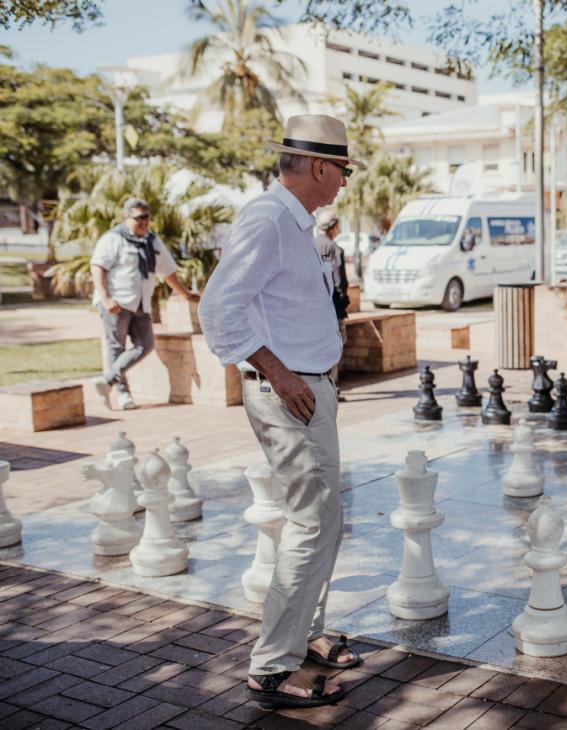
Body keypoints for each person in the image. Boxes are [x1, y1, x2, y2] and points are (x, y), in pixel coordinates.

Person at [198, 115, 363, 709]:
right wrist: (282, 372)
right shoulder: (268, 220)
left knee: (326, 519)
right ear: (320, 167)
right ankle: (272, 667)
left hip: (307, 391)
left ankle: (305, 636)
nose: (345, 180)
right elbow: (218, 310)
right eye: (342, 169)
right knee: (311, 522)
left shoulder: (295, 224)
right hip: (287, 393)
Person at [90, 198, 199, 410]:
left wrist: (185, 294)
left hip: (141, 305)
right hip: (117, 303)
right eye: (139, 218)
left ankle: (107, 380)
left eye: (146, 217)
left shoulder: (152, 241)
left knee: (145, 344)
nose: (144, 222)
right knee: (116, 348)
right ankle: (122, 394)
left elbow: (167, 271)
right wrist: (106, 298)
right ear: (126, 217)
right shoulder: (114, 239)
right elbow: (98, 267)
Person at [314, 209, 350, 399]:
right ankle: (332, 388)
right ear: (334, 227)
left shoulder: (311, 245)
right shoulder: (333, 248)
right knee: (336, 346)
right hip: (333, 307)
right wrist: (343, 301)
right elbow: (339, 281)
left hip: (315, 307)